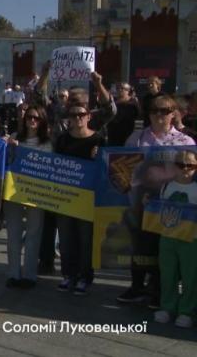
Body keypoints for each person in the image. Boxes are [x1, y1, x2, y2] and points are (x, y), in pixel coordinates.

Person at [117, 94, 195, 306]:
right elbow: (123, 167)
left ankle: (159, 290)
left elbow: (190, 172)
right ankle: (136, 286)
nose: (160, 115)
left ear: (174, 113)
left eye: (165, 110)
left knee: (165, 249)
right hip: (141, 202)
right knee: (140, 245)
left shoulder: (185, 141)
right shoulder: (137, 138)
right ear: (149, 114)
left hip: (172, 205)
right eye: (155, 111)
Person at [55, 101, 105, 296]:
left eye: (81, 114)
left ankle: (85, 277)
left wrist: (98, 157)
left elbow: (105, 168)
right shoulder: (62, 140)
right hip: (66, 196)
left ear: (88, 116)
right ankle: (68, 275)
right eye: (74, 115)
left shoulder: (99, 139)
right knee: (66, 240)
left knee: (86, 240)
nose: (78, 118)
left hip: (88, 197)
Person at [4, 105, 52, 288]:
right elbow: (6, 161)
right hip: (14, 191)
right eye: (29, 117)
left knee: (34, 233)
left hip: (35, 192)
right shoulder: (15, 138)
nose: (32, 120)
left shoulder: (46, 143)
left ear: (42, 121)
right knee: (13, 233)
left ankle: (30, 274)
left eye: (36, 118)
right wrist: (10, 147)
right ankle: (13, 273)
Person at [153, 150, 197, 328]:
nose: (185, 169)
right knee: (168, 274)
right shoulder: (166, 186)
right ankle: (167, 307)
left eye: (190, 165)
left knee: (190, 276)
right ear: (174, 167)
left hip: (191, 240)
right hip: (168, 237)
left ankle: (187, 311)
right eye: (181, 164)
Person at [107, 82, 140, 146]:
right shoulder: (113, 101)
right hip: (113, 135)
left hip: (127, 135)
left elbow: (138, 114)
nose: (119, 90)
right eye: (118, 88)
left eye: (122, 88)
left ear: (128, 91)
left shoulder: (133, 102)